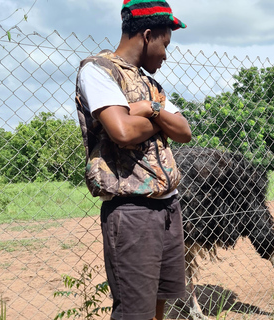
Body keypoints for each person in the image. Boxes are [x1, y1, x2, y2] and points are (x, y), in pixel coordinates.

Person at [75, 1, 191, 319]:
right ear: (147, 35)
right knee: (133, 311)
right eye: (165, 45)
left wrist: (149, 109)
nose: (166, 55)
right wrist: (158, 116)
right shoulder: (98, 70)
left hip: (168, 206)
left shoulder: (151, 85)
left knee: (159, 303)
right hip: (132, 212)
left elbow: (183, 131)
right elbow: (123, 132)